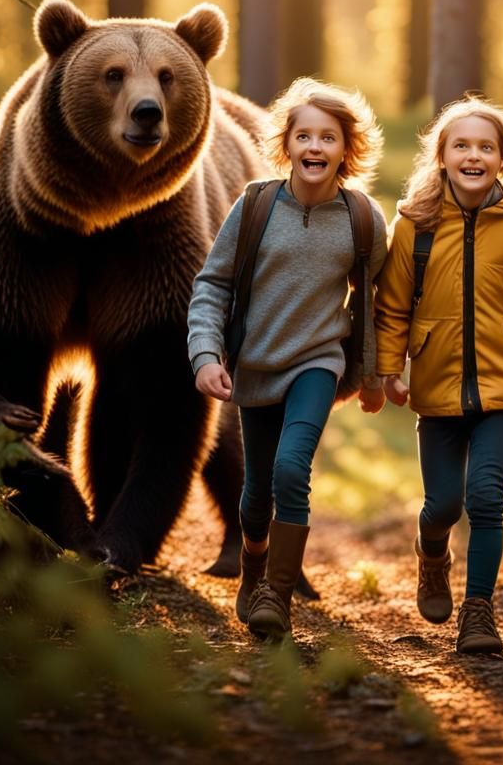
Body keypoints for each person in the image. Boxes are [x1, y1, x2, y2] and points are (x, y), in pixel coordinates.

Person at [187, 77, 387, 641]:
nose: (315, 146)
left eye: (328, 137)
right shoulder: (255, 206)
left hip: (318, 363)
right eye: (304, 136)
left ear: (346, 148)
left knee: (291, 469)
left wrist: (373, 374)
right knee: (255, 496)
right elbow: (212, 286)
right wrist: (205, 355)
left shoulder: (363, 218)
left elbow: (376, 305)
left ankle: (276, 595)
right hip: (254, 366)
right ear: (287, 143)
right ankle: (253, 566)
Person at [375, 96, 503, 655]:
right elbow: (392, 307)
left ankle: (479, 612)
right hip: (435, 385)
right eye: (462, 146)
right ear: (442, 156)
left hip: (500, 387)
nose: (474, 156)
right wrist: (389, 370)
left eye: (486, 147)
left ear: (502, 159)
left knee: (486, 498)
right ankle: (432, 554)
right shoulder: (415, 227)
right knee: (444, 504)